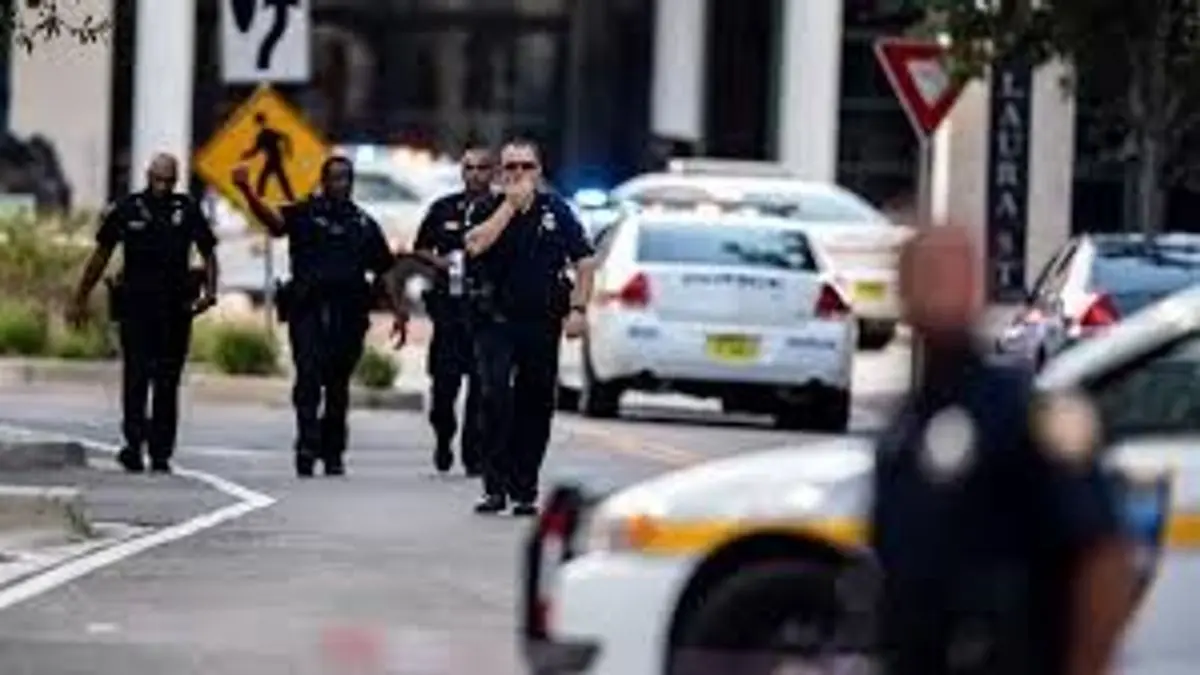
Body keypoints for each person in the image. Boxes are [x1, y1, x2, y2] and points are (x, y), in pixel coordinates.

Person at [871, 226, 1138, 675]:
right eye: (927, 274)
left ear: (977, 287)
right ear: (903, 292)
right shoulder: (905, 430)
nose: (941, 290)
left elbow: (1103, 557)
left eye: (953, 274)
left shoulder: (1026, 413)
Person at [233, 155, 408, 478]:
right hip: (308, 310)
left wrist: (398, 312)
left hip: (349, 314)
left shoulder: (363, 223)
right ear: (323, 181)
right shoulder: (305, 213)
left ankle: (333, 452)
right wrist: (247, 191)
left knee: (338, 385)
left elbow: (383, 270)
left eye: (346, 178)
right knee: (309, 379)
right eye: (335, 178)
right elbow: (275, 223)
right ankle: (306, 445)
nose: (341, 184)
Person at [464, 138, 595, 516]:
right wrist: (509, 206)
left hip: (541, 322)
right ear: (500, 172)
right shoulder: (485, 207)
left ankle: (524, 488)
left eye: (526, 166)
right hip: (496, 322)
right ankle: (494, 486)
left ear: (539, 171)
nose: (518, 173)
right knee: (495, 396)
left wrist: (578, 309)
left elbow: (585, 261)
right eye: (511, 167)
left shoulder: (557, 210)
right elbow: (475, 245)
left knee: (535, 404)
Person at [67, 153, 219, 474]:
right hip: (136, 307)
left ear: (176, 180)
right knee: (136, 377)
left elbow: (208, 252)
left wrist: (210, 292)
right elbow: (101, 254)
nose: (163, 186)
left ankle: (161, 451)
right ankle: (134, 445)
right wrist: (80, 296)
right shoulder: (128, 209)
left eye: (169, 180)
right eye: (158, 179)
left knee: (167, 381)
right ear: (148, 176)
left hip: (175, 308)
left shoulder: (187, 209)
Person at [411, 145, 495, 475]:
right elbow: (420, 247)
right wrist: (439, 262)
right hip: (448, 312)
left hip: (484, 312)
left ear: (492, 173)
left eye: (482, 168)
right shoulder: (444, 208)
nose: (475, 175)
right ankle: (443, 437)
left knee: (480, 388)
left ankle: (474, 454)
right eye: (469, 168)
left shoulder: (501, 210)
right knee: (443, 389)